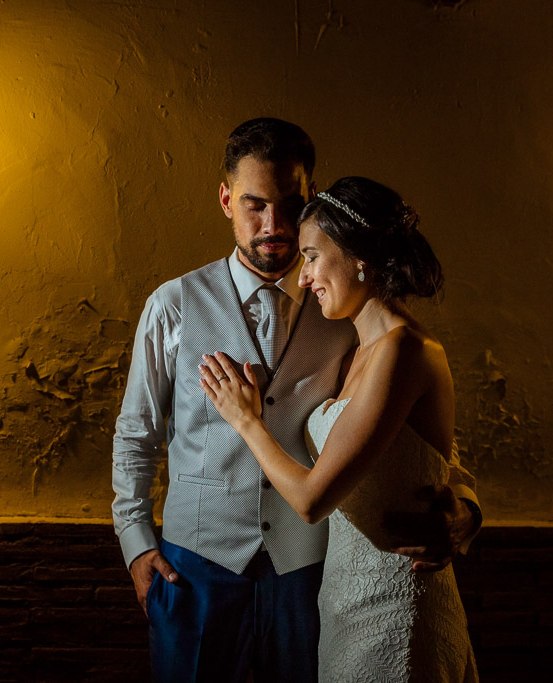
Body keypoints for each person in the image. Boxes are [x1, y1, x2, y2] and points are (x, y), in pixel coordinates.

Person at [111, 118, 481, 682]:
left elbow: (415, 436)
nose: (274, 225)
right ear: (226, 200)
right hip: (196, 571)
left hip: (310, 571)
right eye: (255, 205)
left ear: (313, 197)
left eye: (290, 205)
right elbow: (136, 434)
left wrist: (466, 508)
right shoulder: (173, 305)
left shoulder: (349, 309)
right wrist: (136, 542)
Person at [200, 176, 478, 681]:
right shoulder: (355, 353)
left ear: (359, 258)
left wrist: (245, 420)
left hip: (397, 607)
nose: (304, 277)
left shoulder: (404, 350)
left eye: (311, 257)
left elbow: (312, 501)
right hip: (344, 603)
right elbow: (420, 458)